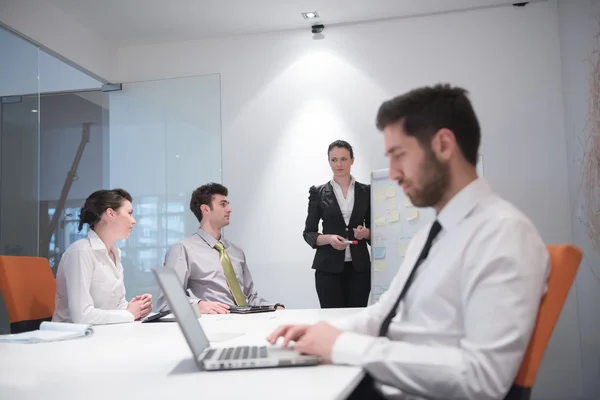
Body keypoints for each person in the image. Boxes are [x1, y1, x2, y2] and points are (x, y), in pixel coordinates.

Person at [268, 84, 550, 400]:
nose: (393, 174)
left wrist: (343, 345)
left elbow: (481, 378)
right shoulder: (429, 237)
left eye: (398, 155)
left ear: (443, 145)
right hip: (392, 382)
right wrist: (324, 332)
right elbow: (383, 313)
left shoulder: (504, 234)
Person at [156, 183, 284, 314]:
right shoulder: (182, 250)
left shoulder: (236, 251)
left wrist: (274, 307)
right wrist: (198, 305)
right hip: (213, 325)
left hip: (246, 321)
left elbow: (249, 297)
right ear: (205, 209)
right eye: (223, 204)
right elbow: (167, 302)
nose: (229, 209)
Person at [53, 189, 153, 325]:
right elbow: (82, 316)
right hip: (73, 338)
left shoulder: (115, 252)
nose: (133, 221)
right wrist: (129, 314)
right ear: (110, 213)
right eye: (129, 213)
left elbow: (115, 306)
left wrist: (136, 308)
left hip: (102, 333)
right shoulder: (80, 252)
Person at [303, 140, 372, 308]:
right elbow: (309, 233)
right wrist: (329, 238)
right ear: (329, 161)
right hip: (328, 269)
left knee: (356, 321)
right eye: (334, 160)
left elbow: (375, 231)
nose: (339, 164)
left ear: (352, 160)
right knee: (332, 322)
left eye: (343, 159)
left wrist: (366, 233)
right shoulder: (318, 193)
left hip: (359, 269)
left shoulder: (367, 191)